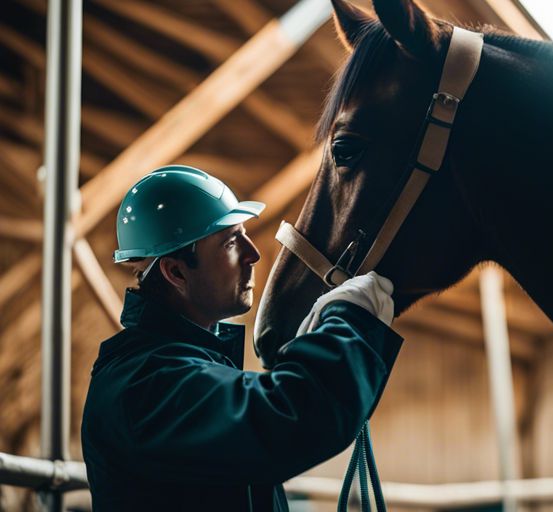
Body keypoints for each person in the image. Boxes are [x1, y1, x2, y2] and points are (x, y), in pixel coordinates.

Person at [81, 165, 401, 511]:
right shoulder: (144, 385)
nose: (253, 254)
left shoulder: (186, 366)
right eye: (231, 242)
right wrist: (349, 322)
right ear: (175, 272)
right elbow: (290, 418)